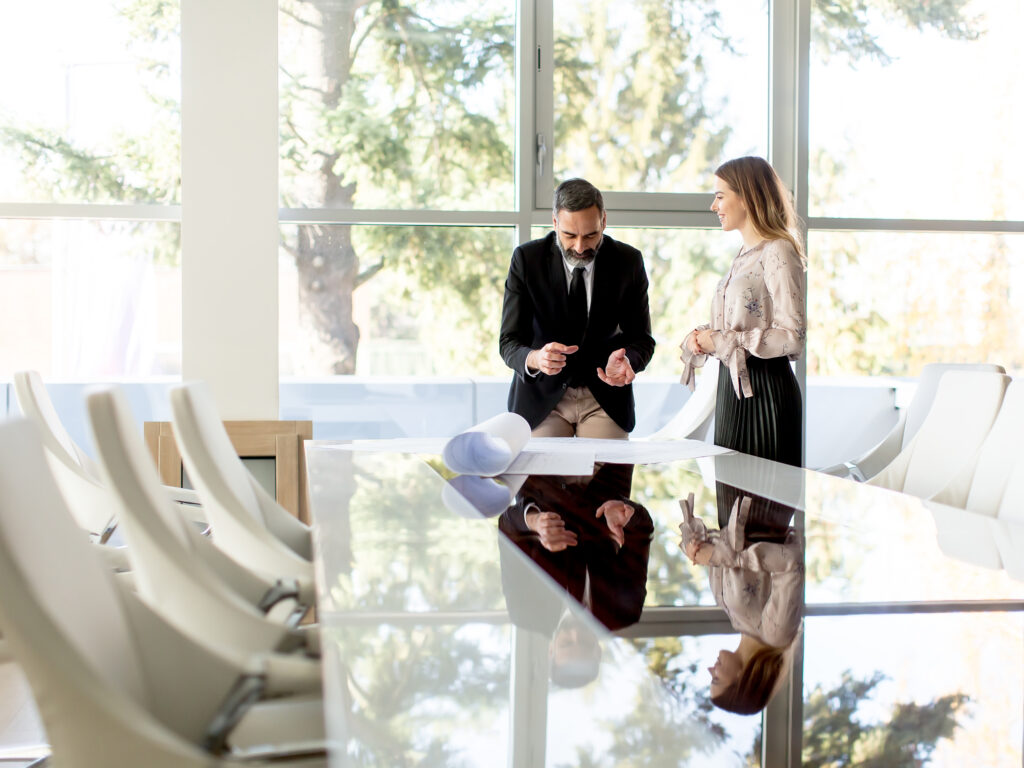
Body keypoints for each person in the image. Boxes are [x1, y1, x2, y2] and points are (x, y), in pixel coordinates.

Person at [500, 178, 656, 438]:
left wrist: (628, 360)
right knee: (542, 475)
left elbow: (642, 340)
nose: (580, 247)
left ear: (603, 222)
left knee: (608, 476)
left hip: (604, 399)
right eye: (569, 235)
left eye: (591, 235)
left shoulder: (628, 262)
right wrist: (536, 359)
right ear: (554, 223)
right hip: (542, 401)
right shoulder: (527, 260)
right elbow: (508, 342)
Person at [679, 156, 806, 466]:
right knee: (729, 501)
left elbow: (793, 337)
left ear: (747, 197)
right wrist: (702, 336)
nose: (714, 206)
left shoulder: (779, 250)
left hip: (766, 394)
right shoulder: (743, 255)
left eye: (720, 196)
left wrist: (721, 341)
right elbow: (739, 323)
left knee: (765, 506)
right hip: (731, 393)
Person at [679, 490, 804, 715]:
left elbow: (722, 548)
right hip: (765, 501)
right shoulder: (777, 635)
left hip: (729, 498)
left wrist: (696, 547)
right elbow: (792, 564)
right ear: (742, 681)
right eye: (716, 680)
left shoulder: (735, 619)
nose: (711, 670)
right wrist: (729, 558)